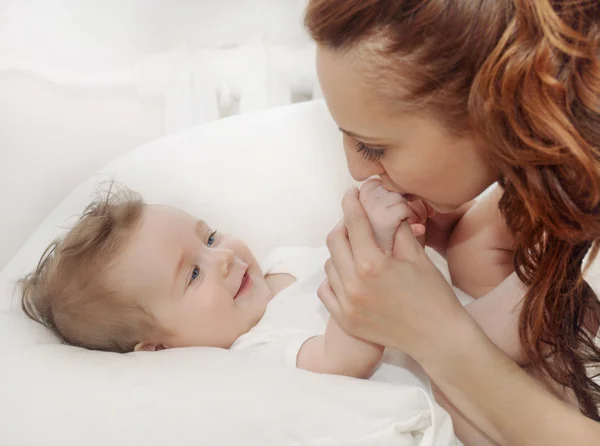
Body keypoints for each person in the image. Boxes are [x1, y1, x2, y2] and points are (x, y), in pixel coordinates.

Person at [305, 0, 600, 444]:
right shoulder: (556, 170)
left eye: (373, 148)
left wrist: (435, 332)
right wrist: (460, 238)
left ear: (491, 109)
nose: (357, 172)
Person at [18, 180, 428, 382]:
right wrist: (371, 243)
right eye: (194, 274)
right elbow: (344, 361)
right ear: (159, 347)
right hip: (446, 379)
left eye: (209, 237)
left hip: (444, 316)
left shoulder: (280, 263)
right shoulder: (255, 351)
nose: (225, 257)